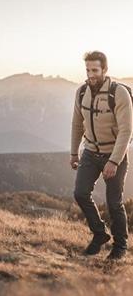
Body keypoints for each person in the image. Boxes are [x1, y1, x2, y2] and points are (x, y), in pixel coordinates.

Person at [70, 51, 133, 260]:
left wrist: (114, 161)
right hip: (90, 152)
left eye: (95, 70)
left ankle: (120, 247)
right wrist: (73, 153)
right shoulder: (81, 92)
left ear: (104, 70)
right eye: (88, 70)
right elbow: (77, 125)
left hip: (114, 153)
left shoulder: (119, 93)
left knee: (114, 202)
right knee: (80, 193)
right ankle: (99, 234)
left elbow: (126, 131)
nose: (91, 74)